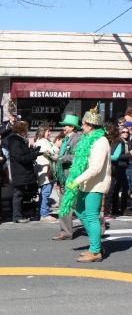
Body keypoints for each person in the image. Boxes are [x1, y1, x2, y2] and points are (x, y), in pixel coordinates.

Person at [59, 108, 111, 262]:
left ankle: (95, 251)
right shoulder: (89, 140)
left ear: (89, 125)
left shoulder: (101, 142)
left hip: (96, 185)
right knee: (80, 212)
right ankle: (96, 244)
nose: (81, 126)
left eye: (83, 123)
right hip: (86, 185)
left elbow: (96, 168)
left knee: (92, 217)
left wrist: (76, 181)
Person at [51, 115, 82, 241]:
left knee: (77, 205)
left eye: (65, 125)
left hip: (72, 176)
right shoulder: (65, 139)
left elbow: (76, 156)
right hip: (64, 177)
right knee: (64, 205)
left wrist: (60, 158)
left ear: (72, 127)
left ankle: (98, 220)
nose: (63, 127)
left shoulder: (78, 138)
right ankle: (66, 232)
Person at [8, 121, 43, 223]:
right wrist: (34, 155)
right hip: (20, 172)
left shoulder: (19, 141)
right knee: (18, 194)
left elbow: (23, 154)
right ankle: (17, 216)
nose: (27, 132)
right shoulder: (16, 142)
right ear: (22, 131)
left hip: (22, 172)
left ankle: (19, 214)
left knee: (21, 194)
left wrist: (33, 151)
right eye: (25, 130)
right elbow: (21, 158)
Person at [103, 124, 129, 218]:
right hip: (110, 168)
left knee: (111, 189)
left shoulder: (118, 143)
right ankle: (108, 211)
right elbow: (116, 156)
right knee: (110, 190)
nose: (107, 134)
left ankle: (110, 210)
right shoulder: (109, 142)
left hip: (112, 168)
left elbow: (116, 156)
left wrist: (103, 157)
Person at [33, 125, 58, 222]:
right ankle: (44, 214)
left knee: (45, 192)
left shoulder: (46, 141)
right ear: (43, 132)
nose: (50, 133)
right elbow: (48, 153)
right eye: (48, 131)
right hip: (45, 170)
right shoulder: (40, 142)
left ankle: (42, 212)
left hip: (48, 170)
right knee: (45, 192)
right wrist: (56, 146)